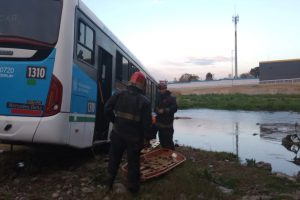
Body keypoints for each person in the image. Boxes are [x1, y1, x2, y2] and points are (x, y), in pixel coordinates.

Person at [104, 71, 152, 193]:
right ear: (142, 85)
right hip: (134, 139)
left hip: (117, 134)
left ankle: (108, 185)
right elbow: (147, 125)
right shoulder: (145, 102)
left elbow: (107, 109)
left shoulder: (118, 94)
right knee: (133, 163)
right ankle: (133, 189)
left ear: (131, 82)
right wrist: (147, 139)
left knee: (113, 160)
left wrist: (115, 121)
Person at [154, 81, 177, 150]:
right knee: (162, 142)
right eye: (160, 89)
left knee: (169, 143)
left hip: (168, 125)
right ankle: (166, 156)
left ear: (165, 88)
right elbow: (155, 108)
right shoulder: (158, 97)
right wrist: (157, 110)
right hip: (159, 125)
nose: (161, 90)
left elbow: (175, 108)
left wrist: (164, 110)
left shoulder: (171, 97)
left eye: (162, 88)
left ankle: (173, 156)